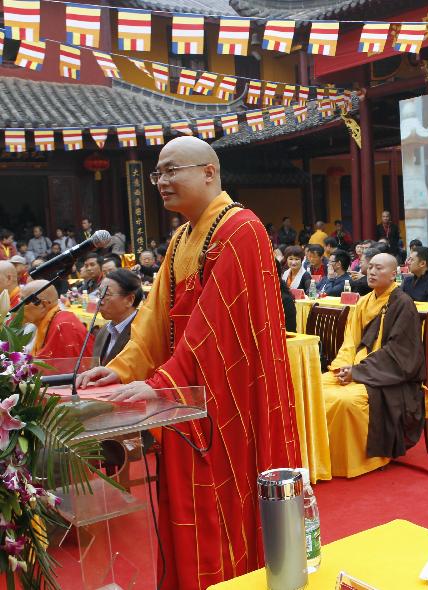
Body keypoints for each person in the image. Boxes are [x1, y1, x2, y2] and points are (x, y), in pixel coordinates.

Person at [75, 136, 299, 590]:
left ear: (209, 172)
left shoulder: (241, 229)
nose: (162, 181)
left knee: (224, 508)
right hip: (187, 396)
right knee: (186, 512)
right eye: (158, 172)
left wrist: (163, 382)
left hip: (230, 396)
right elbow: (156, 321)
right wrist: (122, 368)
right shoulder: (180, 239)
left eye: (172, 170)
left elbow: (213, 329)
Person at [322, 252, 425, 477]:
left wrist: (357, 372)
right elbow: (350, 341)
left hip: (388, 378)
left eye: (379, 268)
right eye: (370, 268)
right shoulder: (364, 301)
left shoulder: (402, 304)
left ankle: (356, 461)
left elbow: (398, 354)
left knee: (345, 400)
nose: (372, 272)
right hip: (357, 368)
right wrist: (342, 367)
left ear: (394, 274)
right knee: (318, 387)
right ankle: (324, 456)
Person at [21, 280, 92, 359]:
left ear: (43, 305)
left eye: (23, 302)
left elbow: (61, 368)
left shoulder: (63, 326)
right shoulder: (47, 322)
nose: (18, 307)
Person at [94, 269, 142, 366]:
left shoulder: (142, 333)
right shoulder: (104, 331)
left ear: (129, 300)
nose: (100, 301)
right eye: (99, 294)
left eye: (106, 295)